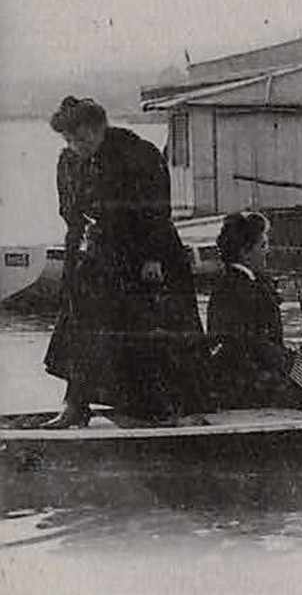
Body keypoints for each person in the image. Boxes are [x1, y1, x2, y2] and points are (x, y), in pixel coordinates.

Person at [42, 96, 211, 427]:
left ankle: (164, 408)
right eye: (69, 139)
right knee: (81, 325)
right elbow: (69, 212)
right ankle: (76, 405)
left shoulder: (138, 153)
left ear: (100, 127)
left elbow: (158, 209)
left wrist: (152, 257)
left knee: (149, 332)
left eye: (82, 137)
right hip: (98, 257)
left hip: (147, 257)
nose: (76, 145)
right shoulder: (69, 161)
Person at [206, 211, 302, 417]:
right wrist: (298, 361)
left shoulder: (231, 284)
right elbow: (252, 346)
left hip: (249, 370)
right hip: (252, 378)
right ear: (245, 252)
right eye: (262, 246)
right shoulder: (242, 288)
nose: (267, 252)